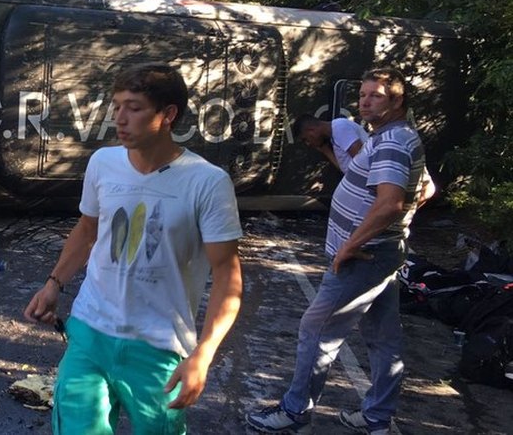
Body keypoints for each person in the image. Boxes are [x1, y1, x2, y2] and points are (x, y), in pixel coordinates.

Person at [24, 63, 243, 434]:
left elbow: (227, 274)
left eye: (134, 107)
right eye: (116, 106)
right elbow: (87, 229)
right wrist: (54, 284)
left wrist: (203, 354)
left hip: (159, 348)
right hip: (90, 331)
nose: (119, 119)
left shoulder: (207, 182)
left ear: (168, 114)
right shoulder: (103, 163)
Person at [246, 68, 428, 435]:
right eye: (362, 94)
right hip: (380, 252)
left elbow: (391, 203)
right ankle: (377, 418)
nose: (365, 101)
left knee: (316, 330)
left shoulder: (392, 142)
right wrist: (397, 227)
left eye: (375, 95)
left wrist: (351, 245)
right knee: (382, 337)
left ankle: (295, 413)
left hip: (365, 257)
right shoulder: (394, 137)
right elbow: (427, 190)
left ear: (397, 100)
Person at [293, 114, 368, 172]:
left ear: (311, 130)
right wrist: (326, 151)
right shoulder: (334, 136)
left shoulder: (340, 128)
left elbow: (363, 161)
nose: (308, 144)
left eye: (306, 139)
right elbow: (345, 168)